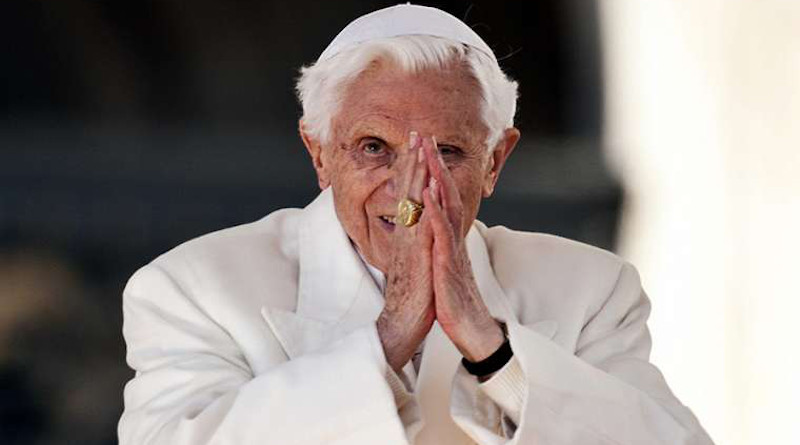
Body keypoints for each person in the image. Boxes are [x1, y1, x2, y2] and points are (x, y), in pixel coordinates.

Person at [118, 4, 713, 444]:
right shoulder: (192, 289)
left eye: (447, 153)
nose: (412, 189)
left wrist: (492, 349)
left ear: (495, 162)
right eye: (374, 147)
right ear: (319, 153)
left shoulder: (591, 289)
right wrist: (389, 336)